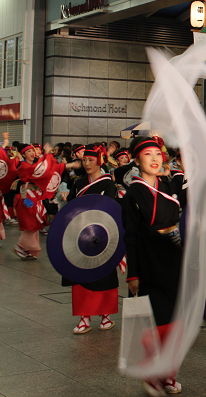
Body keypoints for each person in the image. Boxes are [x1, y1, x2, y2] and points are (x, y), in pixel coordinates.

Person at [121, 137, 184, 395]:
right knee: (155, 325)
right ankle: (151, 372)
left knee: (175, 324)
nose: (155, 159)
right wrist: (132, 274)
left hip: (174, 261)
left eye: (158, 153)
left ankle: (168, 373)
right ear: (137, 160)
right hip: (148, 263)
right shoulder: (133, 193)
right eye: (148, 154)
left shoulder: (169, 186)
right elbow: (131, 236)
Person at [62, 145, 120, 335]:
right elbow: (71, 205)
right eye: (84, 160)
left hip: (103, 234)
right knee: (81, 277)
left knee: (105, 275)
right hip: (81, 235)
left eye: (91, 160)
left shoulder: (108, 183)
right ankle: (84, 317)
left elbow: (112, 208)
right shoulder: (78, 182)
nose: (87, 164)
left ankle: (106, 316)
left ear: (99, 161)